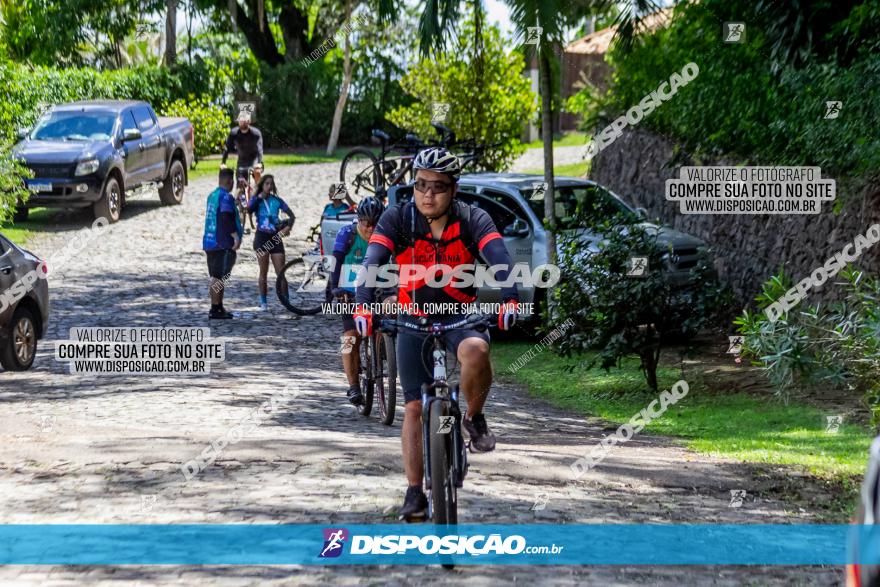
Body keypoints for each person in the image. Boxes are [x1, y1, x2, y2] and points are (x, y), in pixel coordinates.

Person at [353, 147, 520, 520]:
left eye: (438, 187)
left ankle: (474, 418)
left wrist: (509, 298)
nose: (428, 194)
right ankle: (414, 493)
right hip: (412, 318)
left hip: (461, 315)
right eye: (421, 185)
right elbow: (372, 263)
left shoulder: (474, 218)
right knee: (413, 407)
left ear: (454, 189)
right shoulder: (397, 218)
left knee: (476, 352)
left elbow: (499, 258)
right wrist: (363, 304)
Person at [325, 196, 385, 405]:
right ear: (358, 220)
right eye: (367, 223)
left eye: (376, 223)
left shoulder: (386, 236)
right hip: (349, 292)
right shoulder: (347, 234)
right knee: (350, 338)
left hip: (377, 291)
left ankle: (381, 353)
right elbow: (336, 262)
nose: (371, 228)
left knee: (384, 327)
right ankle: (353, 386)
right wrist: (334, 288)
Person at [248, 174, 295, 312]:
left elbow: (291, 215)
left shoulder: (277, 200)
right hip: (261, 237)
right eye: (266, 183)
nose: (269, 186)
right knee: (264, 272)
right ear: (262, 185)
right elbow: (249, 209)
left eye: (271, 184)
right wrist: (258, 198)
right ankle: (263, 302)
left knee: (281, 272)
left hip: (275, 238)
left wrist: (287, 228)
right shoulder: (257, 200)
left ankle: (287, 302)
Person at [202, 168, 242, 319]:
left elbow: (222, 212)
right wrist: (235, 237)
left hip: (210, 241)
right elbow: (225, 217)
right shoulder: (225, 197)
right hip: (222, 242)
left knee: (216, 276)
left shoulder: (213, 195)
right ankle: (215, 308)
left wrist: (235, 200)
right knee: (219, 277)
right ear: (230, 181)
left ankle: (218, 307)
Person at [221, 112, 263, 182]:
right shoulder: (234, 133)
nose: (243, 122)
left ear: (249, 121)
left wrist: (259, 162)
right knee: (240, 185)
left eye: (245, 120)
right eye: (241, 120)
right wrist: (223, 163)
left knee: (257, 172)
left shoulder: (256, 133)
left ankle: (259, 190)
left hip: (254, 160)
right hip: (241, 161)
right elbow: (227, 148)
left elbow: (260, 149)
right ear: (238, 121)